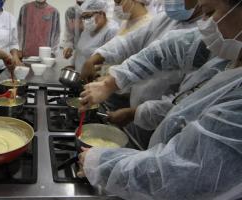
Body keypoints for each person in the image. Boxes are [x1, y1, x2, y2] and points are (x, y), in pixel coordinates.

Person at [78, 0, 242, 199]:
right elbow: (169, 52)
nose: (204, 24)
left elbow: (182, 172)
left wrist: (100, 164)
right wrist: (111, 83)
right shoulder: (229, 54)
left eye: (209, 12)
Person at [81, 0, 202, 109]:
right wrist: (95, 58)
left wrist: (110, 85)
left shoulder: (206, 36)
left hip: (159, 115)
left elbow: (183, 98)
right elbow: (128, 42)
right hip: (135, 104)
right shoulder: (164, 19)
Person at [74, 0, 119, 73]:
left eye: (88, 16)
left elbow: (112, 61)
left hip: (95, 78)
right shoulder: (87, 30)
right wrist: (72, 65)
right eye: (83, 17)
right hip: (79, 75)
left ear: (102, 13)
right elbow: (79, 51)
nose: (86, 21)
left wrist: (95, 70)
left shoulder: (112, 31)